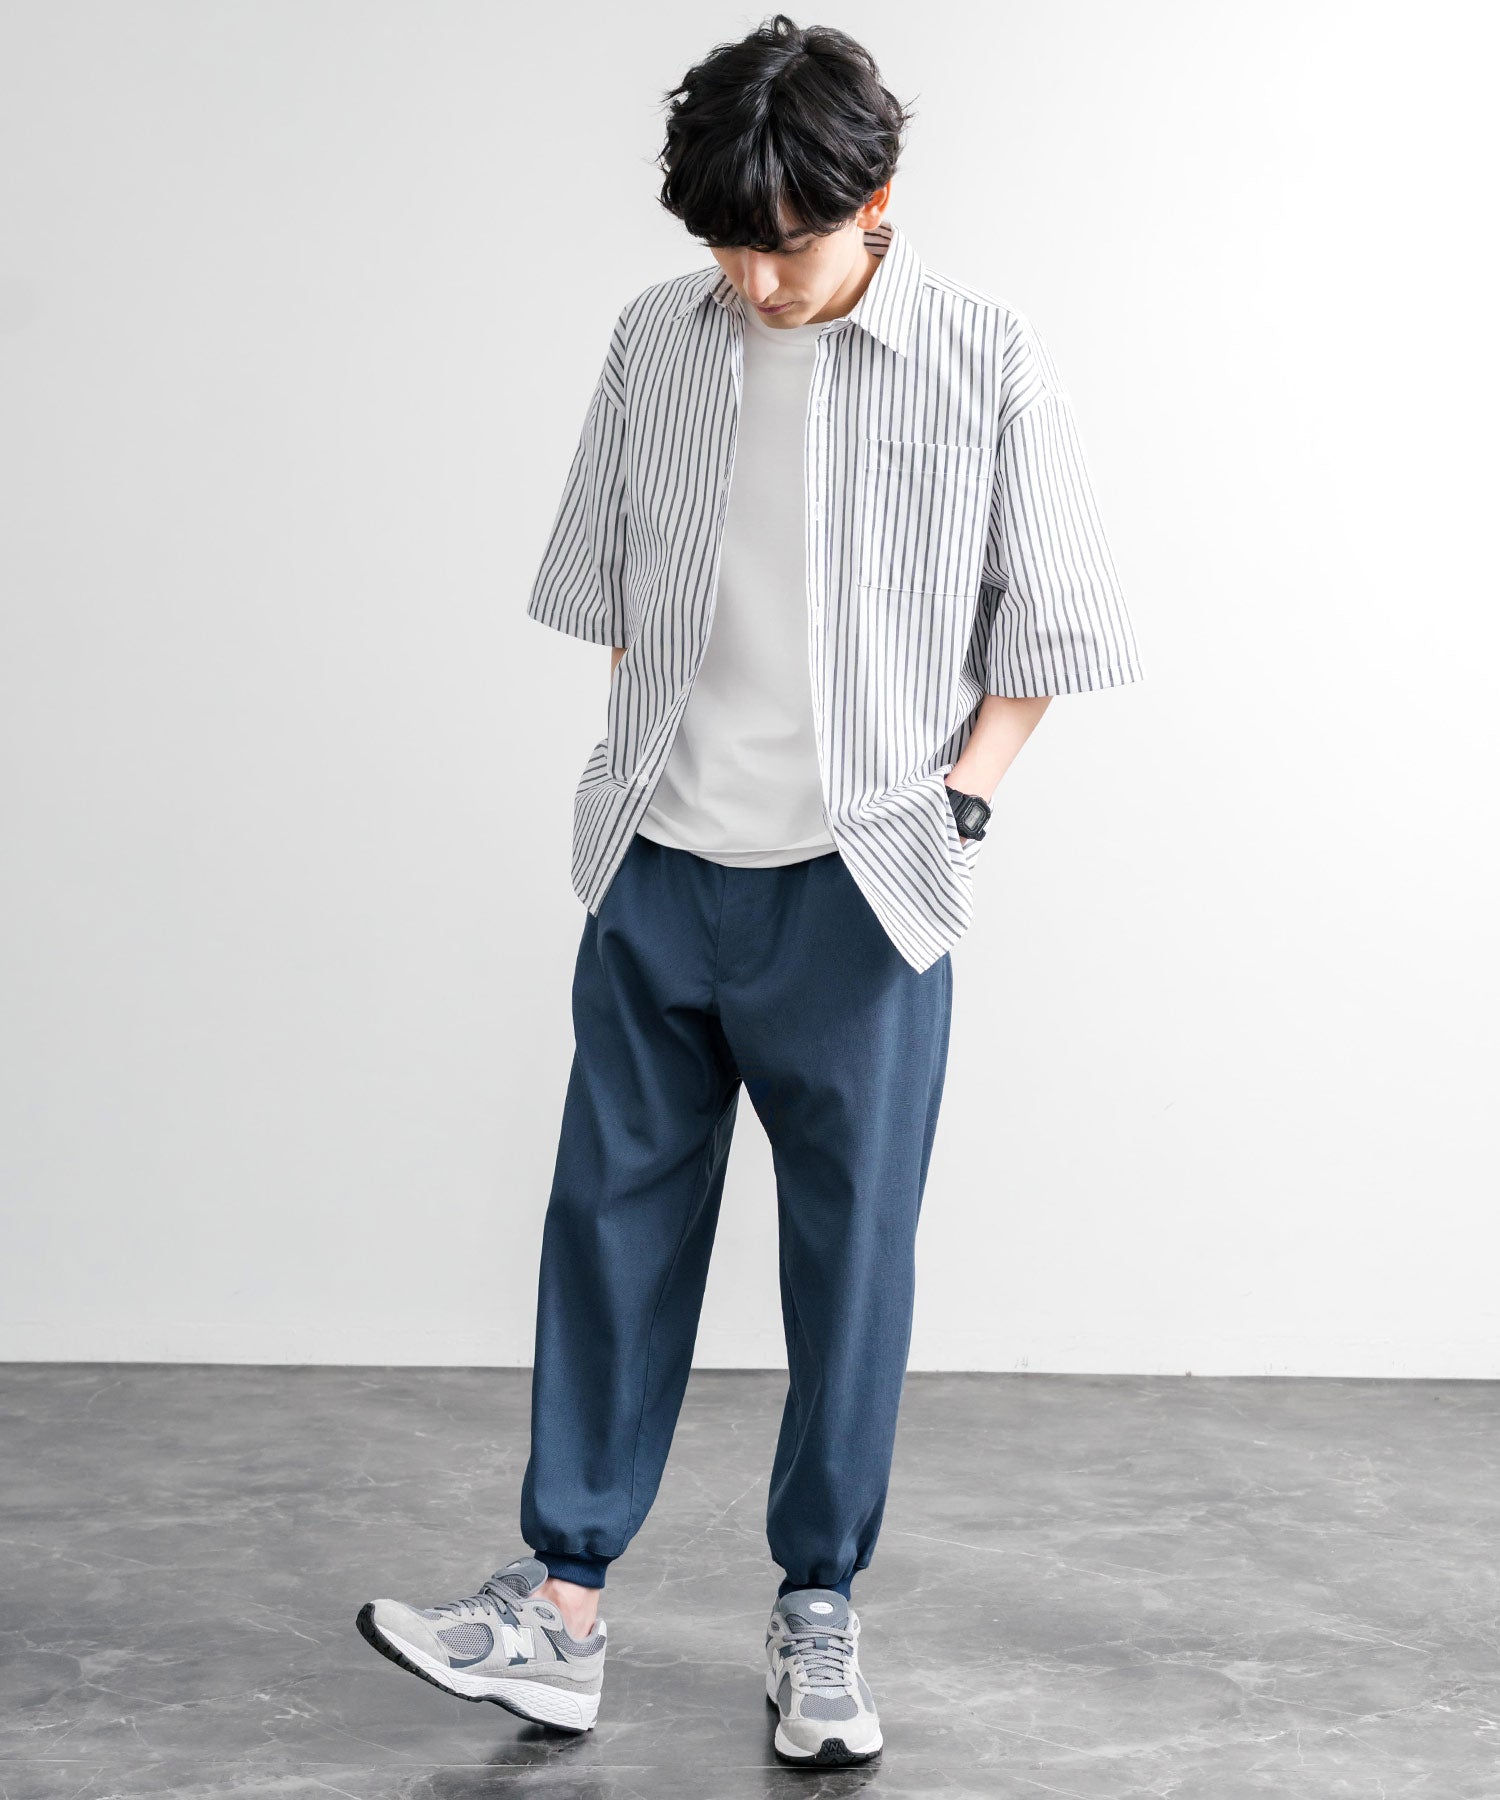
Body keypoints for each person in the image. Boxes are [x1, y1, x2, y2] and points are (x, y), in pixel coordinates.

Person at [356, 12, 1142, 1767]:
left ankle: (820, 1613)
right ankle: (560, 1612)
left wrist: (959, 802)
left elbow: (1054, 623)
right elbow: (611, 584)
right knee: (608, 1228)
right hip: (659, 869)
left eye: (785, 244)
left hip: (862, 894)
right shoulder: (657, 337)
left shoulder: (986, 355)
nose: (754, 279)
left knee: (849, 1260)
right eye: (725, 243)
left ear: (878, 198)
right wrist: (653, 767)